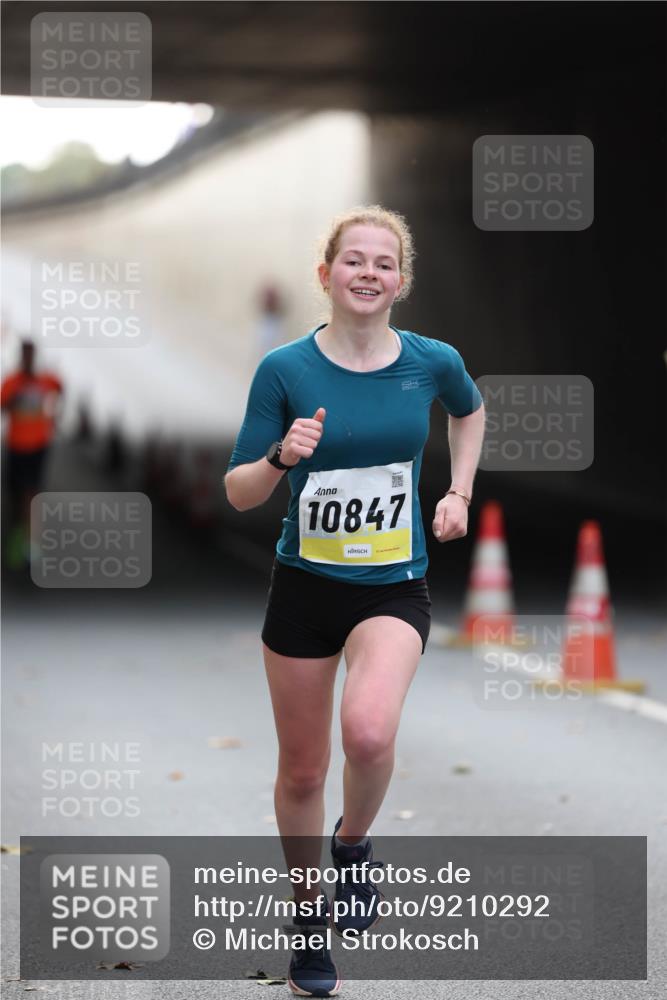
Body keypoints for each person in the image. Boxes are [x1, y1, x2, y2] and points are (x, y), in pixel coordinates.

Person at [224, 205, 485, 997]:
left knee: (368, 734)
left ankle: (355, 845)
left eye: (383, 263)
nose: (368, 273)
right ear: (325, 275)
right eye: (353, 261)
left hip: (392, 586)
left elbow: (469, 412)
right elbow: (239, 494)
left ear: (399, 281)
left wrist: (459, 493)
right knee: (302, 772)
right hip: (304, 589)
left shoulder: (431, 361)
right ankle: (307, 923)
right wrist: (280, 454)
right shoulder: (285, 371)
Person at [1, 340, 63, 568]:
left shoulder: (44, 380)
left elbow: (60, 388)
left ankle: (31, 543)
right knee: (16, 494)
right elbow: (3, 406)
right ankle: (17, 536)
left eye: (31, 355)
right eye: (25, 355)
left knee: (31, 493)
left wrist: (55, 416)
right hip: (16, 445)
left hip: (37, 445)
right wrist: (14, 399)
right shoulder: (12, 382)